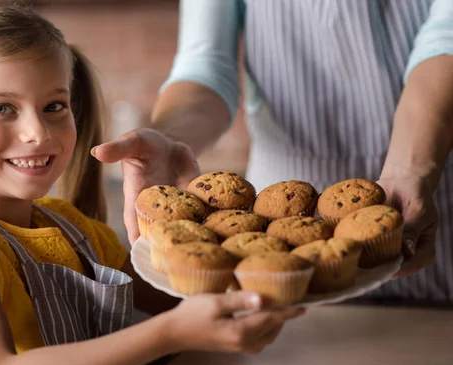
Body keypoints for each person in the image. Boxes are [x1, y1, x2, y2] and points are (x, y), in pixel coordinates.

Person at [0, 5, 305, 365]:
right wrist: (168, 335)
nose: (38, 132)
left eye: (54, 106)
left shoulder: (72, 226)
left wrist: (252, 287)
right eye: (2, 109)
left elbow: (170, 295)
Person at [93, 0, 453, 304]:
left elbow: (446, 39)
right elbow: (205, 65)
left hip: (425, 194)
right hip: (269, 245)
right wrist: (170, 138)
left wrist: (412, 168)